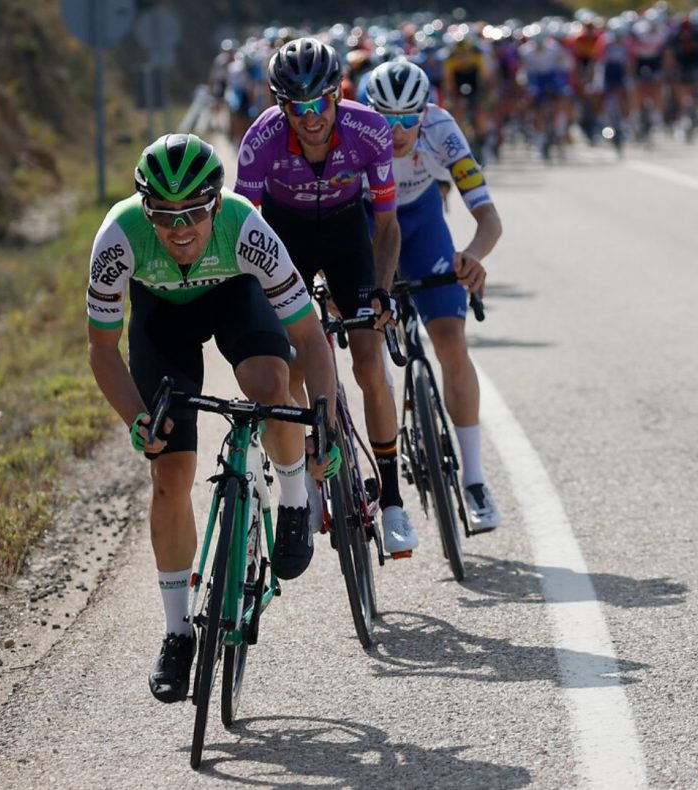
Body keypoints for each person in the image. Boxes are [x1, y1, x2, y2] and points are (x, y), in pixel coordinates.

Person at [86, 133, 339, 704]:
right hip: (161, 321)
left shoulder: (246, 226)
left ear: (217, 205)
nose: (180, 229)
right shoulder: (119, 235)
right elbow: (102, 348)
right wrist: (137, 420)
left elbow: (308, 337)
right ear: (145, 209)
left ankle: (293, 499)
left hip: (235, 298)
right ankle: (178, 633)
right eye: (164, 215)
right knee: (169, 474)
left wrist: (322, 421)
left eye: (195, 213)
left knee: (270, 387)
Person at [234, 37, 421, 556]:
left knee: (368, 361)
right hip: (284, 238)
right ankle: (309, 468)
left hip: (346, 236)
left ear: (337, 94)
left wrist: (381, 290)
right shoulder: (260, 140)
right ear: (280, 105)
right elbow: (241, 228)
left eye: (320, 102)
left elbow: (386, 224)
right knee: (289, 367)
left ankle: (392, 501)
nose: (311, 116)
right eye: (297, 106)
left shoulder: (369, 129)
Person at [364, 60, 503, 531]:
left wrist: (472, 255)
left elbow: (489, 218)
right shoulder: (353, 134)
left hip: (423, 224)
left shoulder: (442, 130)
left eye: (409, 117)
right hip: (368, 225)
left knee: (451, 341)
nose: (398, 130)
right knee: (370, 351)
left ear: (425, 111)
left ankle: (475, 480)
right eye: (387, 118)